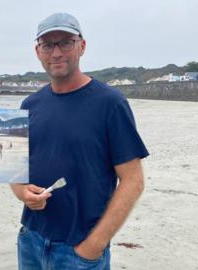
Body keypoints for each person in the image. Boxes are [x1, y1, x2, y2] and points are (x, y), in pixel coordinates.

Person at [10, 12, 149, 270]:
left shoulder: (110, 103)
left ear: (81, 46)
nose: (56, 52)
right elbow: (15, 169)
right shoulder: (29, 105)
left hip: (80, 251)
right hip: (31, 239)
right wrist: (23, 193)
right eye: (48, 44)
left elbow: (133, 180)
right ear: (37, 51)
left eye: (66, 42)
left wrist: (94, 245)